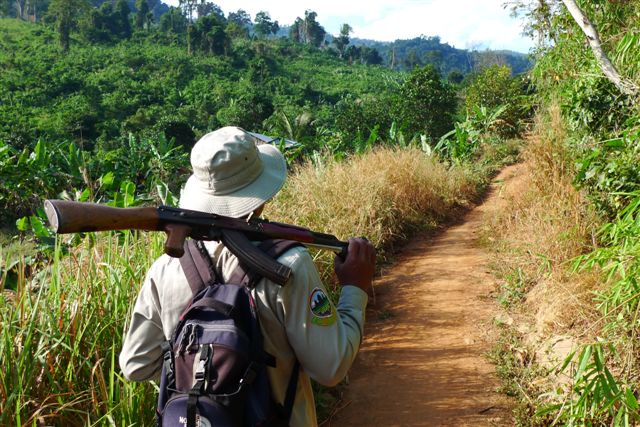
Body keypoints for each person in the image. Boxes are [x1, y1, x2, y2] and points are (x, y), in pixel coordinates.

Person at [119, 126, 375, 426]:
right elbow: (331, 367)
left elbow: (135, 365)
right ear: (260, 192)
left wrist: (200, 365)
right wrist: (355, 289)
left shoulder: (166, 267)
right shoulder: (290, 263)